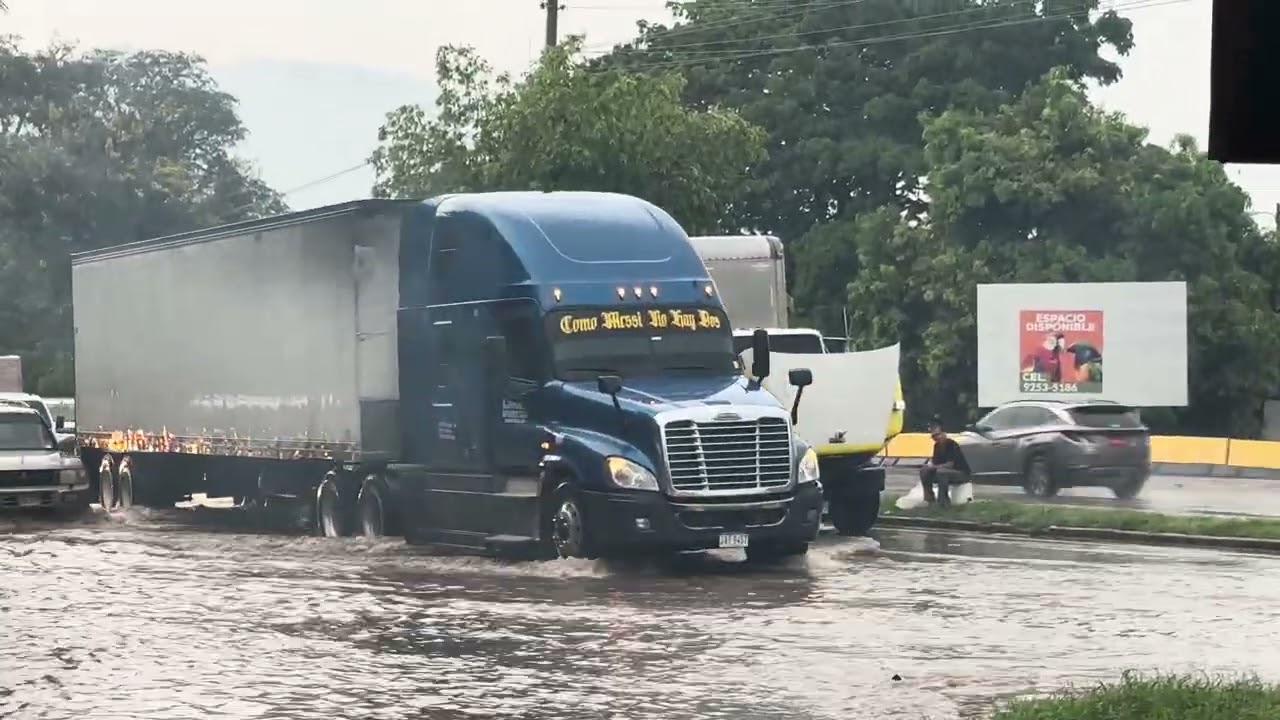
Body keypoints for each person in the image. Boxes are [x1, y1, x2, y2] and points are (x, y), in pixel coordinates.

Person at [918, 416, 970, 507]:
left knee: (941, 472)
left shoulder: (951, 444)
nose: (935, 438)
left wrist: (934, 467)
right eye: (933, 436)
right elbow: (935, 462)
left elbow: (950, 464)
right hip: (943, 472)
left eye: (937, 435)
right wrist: (928, 467)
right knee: (924, 471)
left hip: (960, 473)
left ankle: (943, 501)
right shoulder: (937, 446)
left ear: (943, 434)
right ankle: (929, 499)